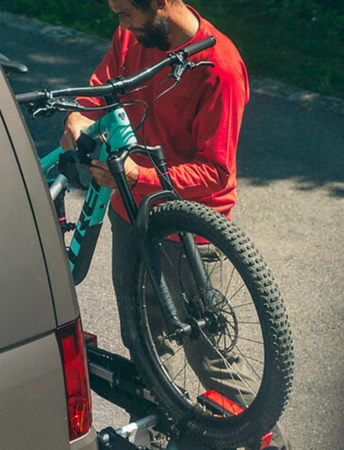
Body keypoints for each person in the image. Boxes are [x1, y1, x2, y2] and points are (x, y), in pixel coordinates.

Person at [59, 1, 290, 449]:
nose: (118, 23)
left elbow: (215, 173)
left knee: (211, 356)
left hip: (188, 234)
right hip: (130, 216)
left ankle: (273, 445)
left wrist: (137, 177)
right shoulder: (133, 36)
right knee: (142, 339)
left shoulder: (219, 68)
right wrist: (76, 116)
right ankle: (162, 432)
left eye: (125, 12)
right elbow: (100, 92)